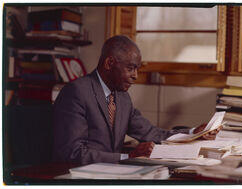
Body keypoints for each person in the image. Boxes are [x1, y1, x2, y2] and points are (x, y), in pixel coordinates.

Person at [53, 35, 221, 166]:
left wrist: (194, 133)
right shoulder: (76, 92)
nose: (136, 76)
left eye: (137, 69)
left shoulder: (122, 97)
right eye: (130, 68)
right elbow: (71, 152)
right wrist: (128, 157)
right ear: (109, 63)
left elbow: (152, 133)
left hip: (112, 173)